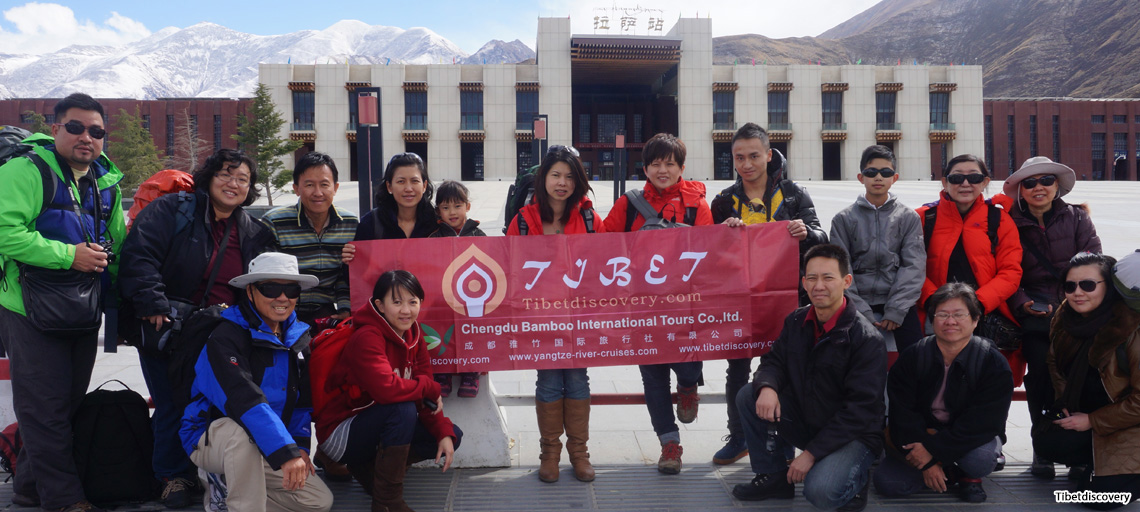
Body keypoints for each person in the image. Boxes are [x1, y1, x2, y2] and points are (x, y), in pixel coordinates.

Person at [119, 148, 274, 507]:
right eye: (225, 174)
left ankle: (212, 472)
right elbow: (140, 255)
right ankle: (172, 476)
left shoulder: (252, 230)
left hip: (220, 333)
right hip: (169, 328)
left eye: (242, 178)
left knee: (220, 403)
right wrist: (152, 303)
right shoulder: (171, 210)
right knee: (173, 401)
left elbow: (263, 279)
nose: (233, 184)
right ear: (209, 176)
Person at [0, 93, 125, 512]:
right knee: (44, 409)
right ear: (55, 129)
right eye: (75, 127)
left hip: (81, 311)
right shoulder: (25, 170)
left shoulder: (105, 184)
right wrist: (70, 255)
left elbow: (119, 248)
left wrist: (128, 300)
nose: (86, 137)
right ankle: (64, 499)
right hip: (28, 309)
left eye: (96, 131)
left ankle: (30, 486)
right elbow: (4, 232)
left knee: (66, 404)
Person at [732, 244, 885, 512]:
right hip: (808, 420)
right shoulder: (797, 320)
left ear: (846, 281)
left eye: (828, 278)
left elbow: (860, 411)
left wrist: (810, 454)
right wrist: (767, 387)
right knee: (749, 394)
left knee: (821, 493)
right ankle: (775, 477)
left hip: (852, 435)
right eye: (812, 278)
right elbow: (773, 362)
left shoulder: (866, 339)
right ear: (803, 281)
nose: (819, 286)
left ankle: (856, 480)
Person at [709, 122, 827, 466]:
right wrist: (723, 232)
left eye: (754, 156)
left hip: (786, 298)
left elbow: (822, 236)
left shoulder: (794, 194)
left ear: (768, 154)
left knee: (785, 369)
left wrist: (806, 231)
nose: (746, 164)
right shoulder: (724, 201)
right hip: (741, 298)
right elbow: (712, 254)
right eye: (739, 157)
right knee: (737, 369)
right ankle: (739, 435)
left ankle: (783, 437)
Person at [180, 252, 333, 512]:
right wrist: (285, 452)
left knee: (317, 502)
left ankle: (229, 487)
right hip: (213, 437)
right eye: (271, 288)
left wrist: (298, 446)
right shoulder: (225, 336)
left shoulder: (298, 337)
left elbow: (300, 403)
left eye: (291, 289)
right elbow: (244, 400)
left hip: (268, 441)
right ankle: (239, 499)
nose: (283, 297)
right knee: (240, 436)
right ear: (250, 292)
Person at [599, 132, 708, 474]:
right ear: (644, 168)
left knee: (689, 363)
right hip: (643, 306)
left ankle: (689, 386)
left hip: (686, 306)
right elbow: (601, 244)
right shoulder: (628, 203)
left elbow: (709, 250)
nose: (663, 170)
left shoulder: (696, 205)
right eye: (656, 164)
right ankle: (669, 444)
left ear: (682, 168)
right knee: (653, 377)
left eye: (670, 164)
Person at [315, 270, 462, 512]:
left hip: (376, 424)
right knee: (401, 409)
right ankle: (387, 503)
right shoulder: (367, 337)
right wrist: (429, 387)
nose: (406, 310)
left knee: (450, 434)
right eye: (397, 302)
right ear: (379, 306)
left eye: (412, 302)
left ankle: (369, 469)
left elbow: (424, 396)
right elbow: (388, 391)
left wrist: (443, 431)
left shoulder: (415, 335)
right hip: (340, 431)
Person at [995, 156, 1100, 479]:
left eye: (1046, 181)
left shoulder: (1077, 218)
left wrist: (1074, 299)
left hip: (1077, 306)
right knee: (1040, 372)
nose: (1038, 188)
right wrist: (1024, 302)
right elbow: (1005, 271)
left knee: (1087, 374)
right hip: (1034, 312)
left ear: (1057, 186)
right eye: (1030, 183)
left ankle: (1082, 452)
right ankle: (1043, 448)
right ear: (1021, 190)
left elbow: (1094, 262)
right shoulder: (1008, 222)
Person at [507, 144, 604, 483]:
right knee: (548, 382)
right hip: (540, 319)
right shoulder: (523, 221)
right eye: (555, 175)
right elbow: (510, 270)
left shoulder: (590, 219)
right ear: (543, 178)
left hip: (579, 318)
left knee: (578, 380)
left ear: (578, 181)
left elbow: (608, 263)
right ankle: (549, 452)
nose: (562, 183)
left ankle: (579, 453)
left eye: (569, 176)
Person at [874, 283, 1013, 503]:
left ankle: (968, 476)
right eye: (942, 315)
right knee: (889, 483)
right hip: (923, 433)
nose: (950, 321)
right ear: (932, 320)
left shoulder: (991, 362)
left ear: (975, 320)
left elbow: (985, 421)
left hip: (968, 436)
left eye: (959, 314)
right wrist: (928, 462)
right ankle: (948, 472)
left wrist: (932, 451)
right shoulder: (913, 357)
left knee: (980, 460)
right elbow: (903, 414)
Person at [1034, 253, 1140, 510]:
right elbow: (1054, 363)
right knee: (1048, 442)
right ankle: (1094, 464)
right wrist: (1065, 401)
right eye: (1070, 286)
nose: (1077, 293)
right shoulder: (1065, 316)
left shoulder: (1130, 328)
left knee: (1099, 500)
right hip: (1094, 416)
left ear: (1109, 288)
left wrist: (1092, 421)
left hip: (1130, 425)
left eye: (1088, 285)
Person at [829, 145, 925, 353]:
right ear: (861, 177)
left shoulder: (908, 218)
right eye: (871, 172)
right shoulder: (843, 220)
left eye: (886, 172)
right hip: (856, 300)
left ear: (895, 177)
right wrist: (860, 311)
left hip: (898, 298)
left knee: (917, 357)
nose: (878, 177)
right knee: (841, 355)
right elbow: (840, 269)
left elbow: (914, 266)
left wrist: (897, 309)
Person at [917, 154, 1022, 329]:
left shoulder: (1000, 219)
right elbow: (909, 267)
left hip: (985, 311)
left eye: (974, 177)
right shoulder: (923, 217)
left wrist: (978, 304)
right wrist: (933, 300)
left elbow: (1010, 271)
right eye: (957, 178)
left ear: (985, 182)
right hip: (933, 311)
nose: (965, 184)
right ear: (945, 182)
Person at [262, 151, 359, 330]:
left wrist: (345, 308)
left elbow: (346, 274)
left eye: (324, 184)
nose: (318, 192)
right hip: (282, 313)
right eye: (309, 185)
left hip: (326, 314)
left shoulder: (350, 224)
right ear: (296, 188)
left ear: (335, 188)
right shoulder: (275, 222)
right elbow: (266, 277)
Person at [429, 180, 486, 398]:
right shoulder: (433, 237)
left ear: (467, 206)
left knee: (472, 332)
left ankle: (471, 372)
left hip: (472, 298)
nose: (452, 212)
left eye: (457, 206)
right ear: (438, 211)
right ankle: (442, 372)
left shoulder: (478, 234)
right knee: (443, 331)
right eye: (445, 207)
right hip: (442, 299)